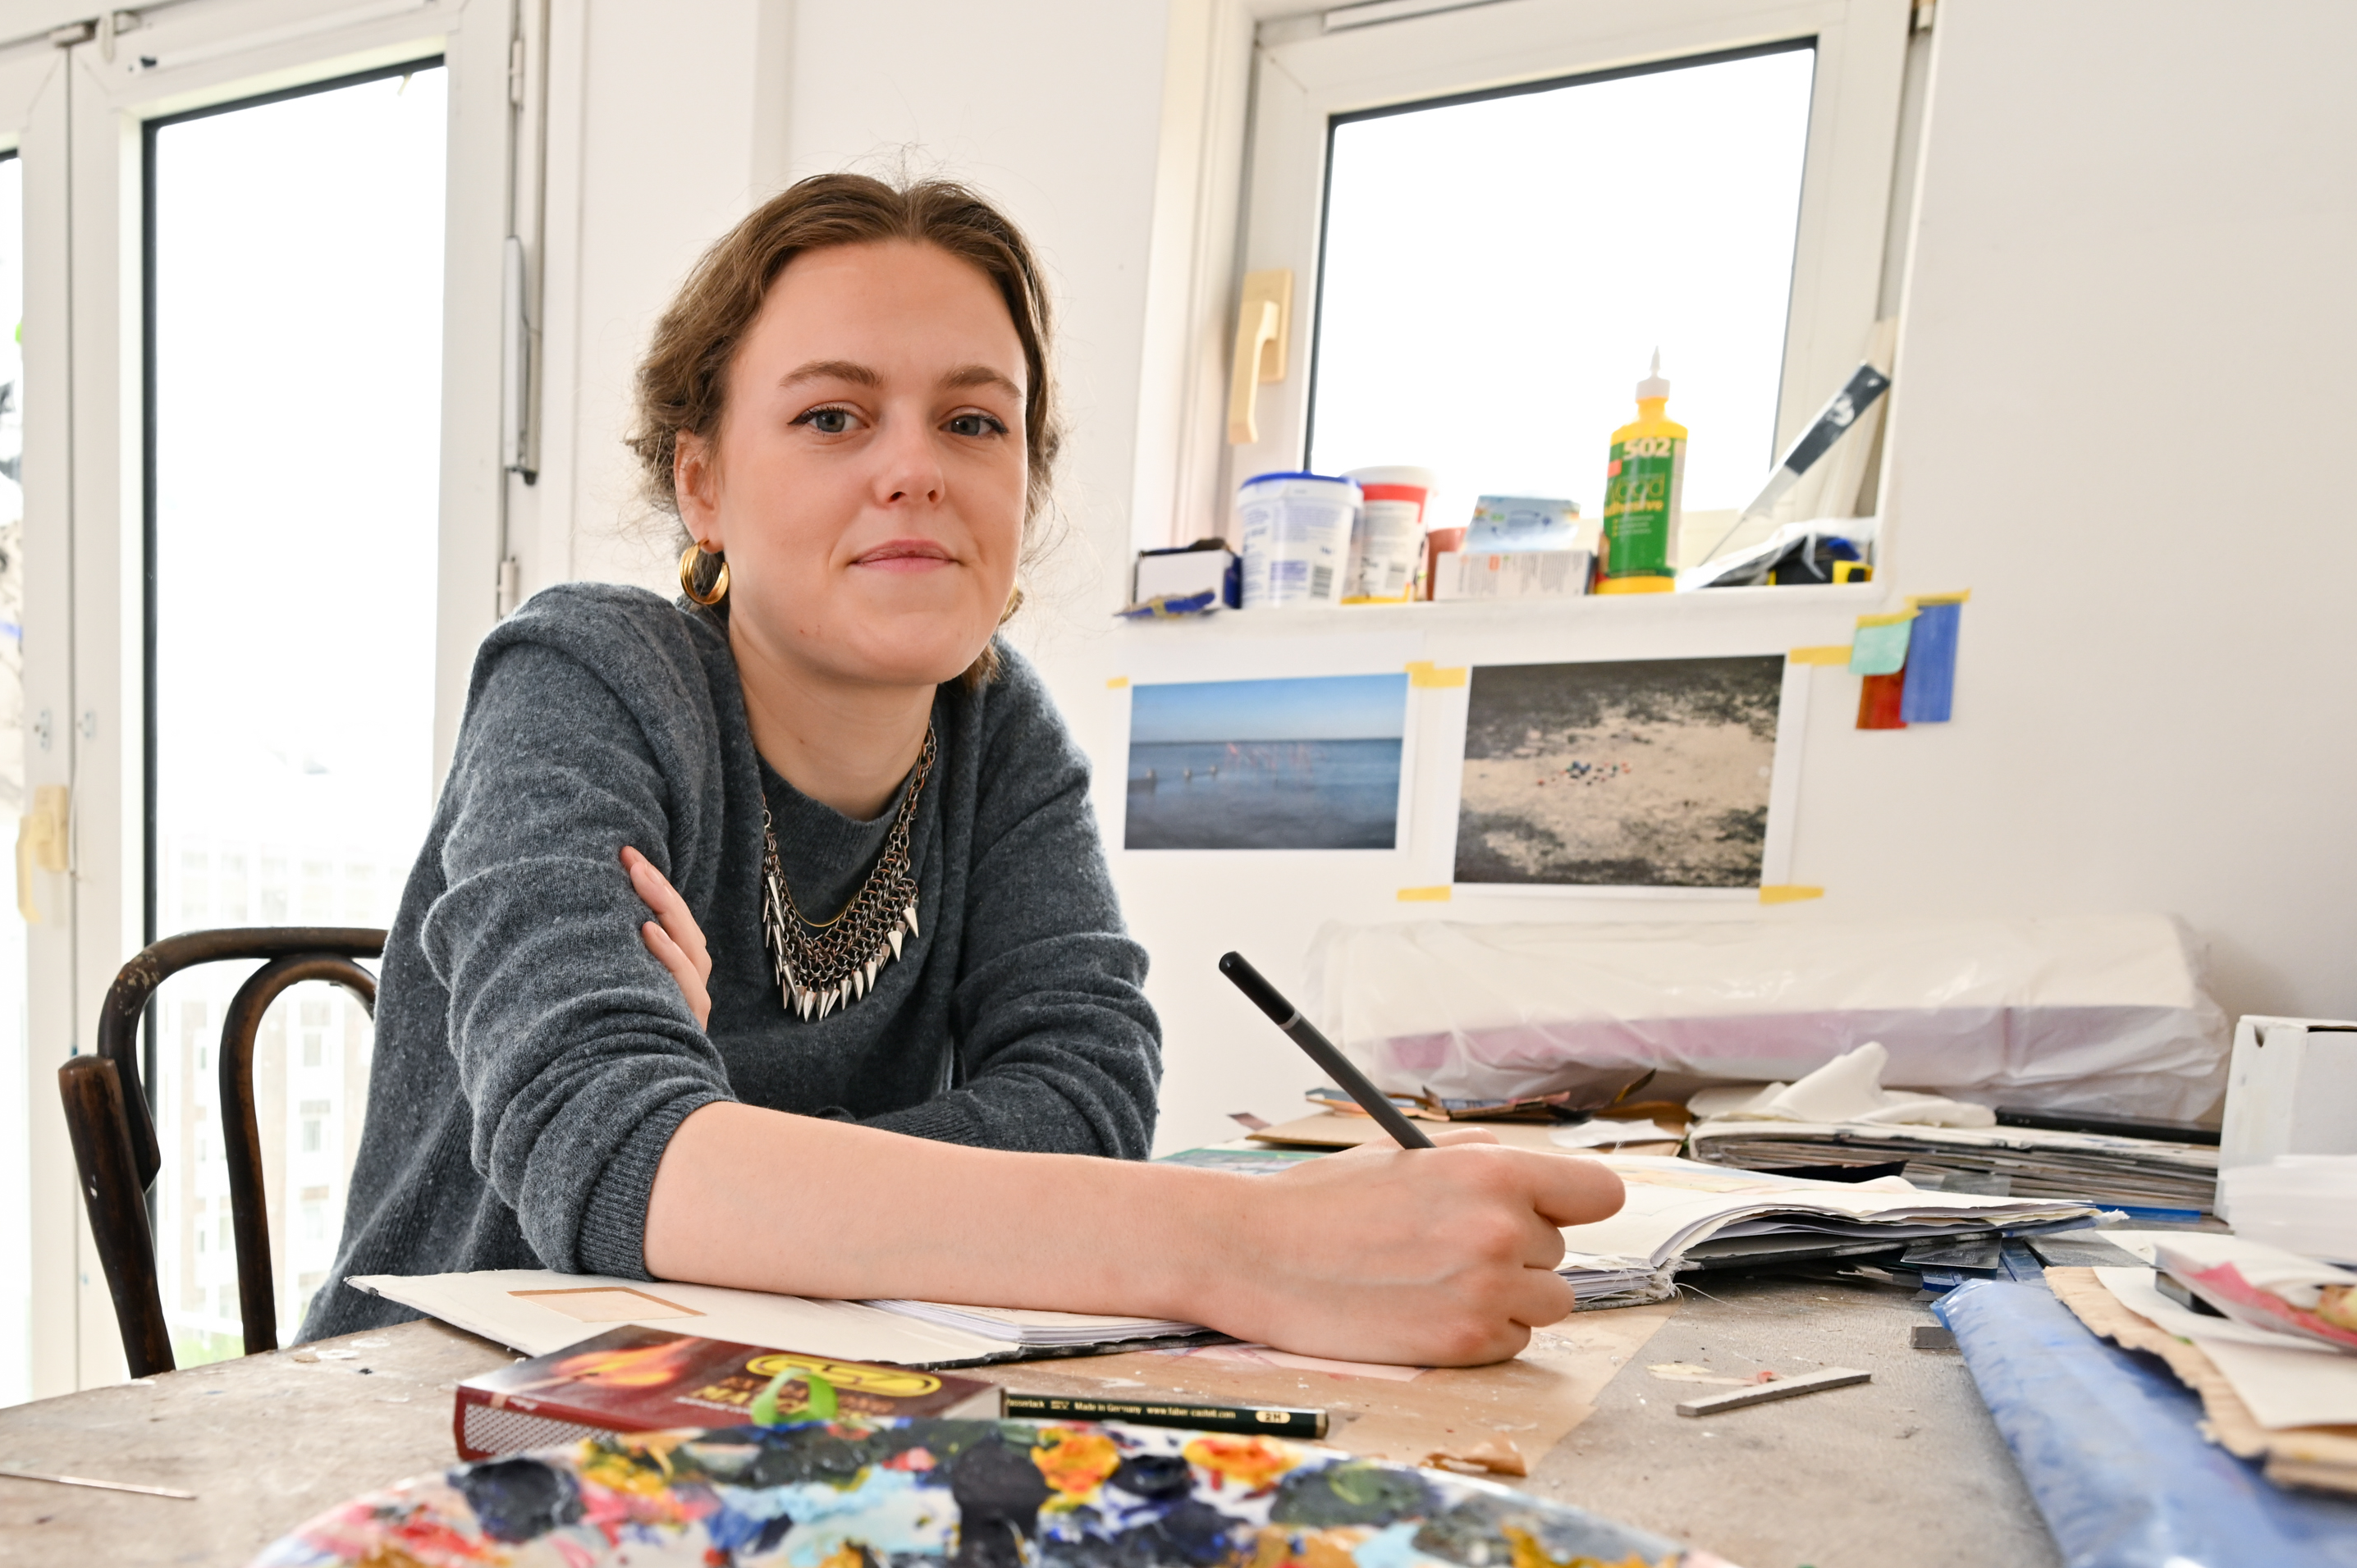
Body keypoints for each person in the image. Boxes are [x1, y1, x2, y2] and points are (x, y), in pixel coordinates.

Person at [300, 174, 1621, 1363]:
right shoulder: (588, 679)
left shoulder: (997, 732)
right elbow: (614, 1164)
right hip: (445, 1413)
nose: (915, 470)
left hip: (795, 1402)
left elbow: (1089, 1100)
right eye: (832, 416)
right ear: (702, 483)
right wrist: (1243, 1243)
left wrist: (738, 1171)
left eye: (976, 424)